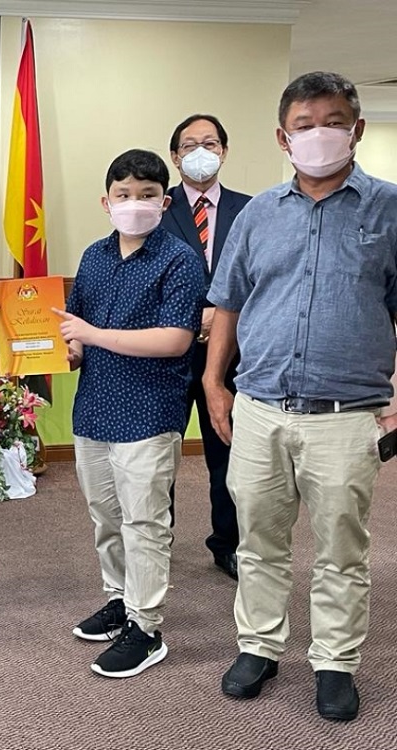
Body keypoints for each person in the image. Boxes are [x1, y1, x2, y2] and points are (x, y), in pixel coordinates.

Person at [205, 71, 397, 722]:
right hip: (259, 406)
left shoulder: (390, 210)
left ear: (358, 129)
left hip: (347, 416)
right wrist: (213, 380)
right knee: (259, 538)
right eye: (307, 124)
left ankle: (336, 662)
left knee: (343, 547)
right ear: (284, 138)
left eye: (334, 120)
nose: (321, 134)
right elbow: (228, 301)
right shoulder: (257, 213)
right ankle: (258, 645)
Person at [56, 149, 204, 678]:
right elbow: (81, 334)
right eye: (123, 195)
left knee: (144, 521)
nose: (134, 204)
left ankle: (146, 627)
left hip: (149, 411)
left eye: (146, 195)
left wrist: (92, 335)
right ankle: (120, 599)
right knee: (106, 516)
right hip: (94, 407)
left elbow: (175, 339)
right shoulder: (94, 257)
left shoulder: (181, 260)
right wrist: (67, 351)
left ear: (164, 202)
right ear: (106, 201)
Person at [160, 114, 251, 581]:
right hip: (169, 357)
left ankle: (227, 543)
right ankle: (158, 541)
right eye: (190, 144)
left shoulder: (253, 209)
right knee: (160, 455)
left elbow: (266, 277)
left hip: (233, 357)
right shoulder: (155, 207)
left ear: (224, 151)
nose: (200, 151)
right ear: (175, 157)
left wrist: (224, 314)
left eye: (210, 142)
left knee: (228, 454)